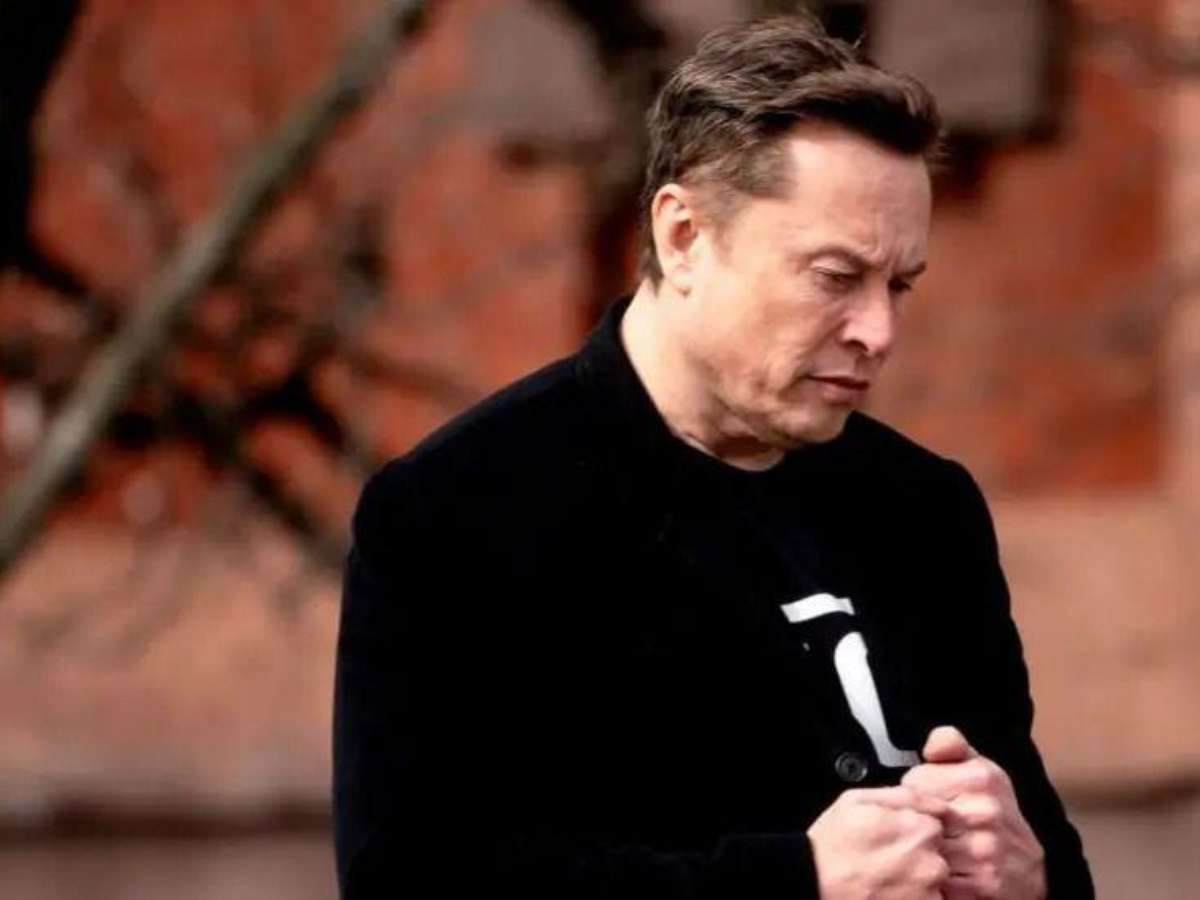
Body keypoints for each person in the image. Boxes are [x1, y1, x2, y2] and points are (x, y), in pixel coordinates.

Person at [333, 13, 1094, 899]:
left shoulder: (926, 510)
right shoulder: (457, 513)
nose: (879, 331)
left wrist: (1037, 876)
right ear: (684, 236)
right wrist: (796, 881)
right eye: (836, 278)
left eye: (899, 285)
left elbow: (1044, 852)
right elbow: (411, 885)